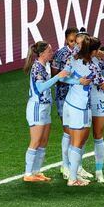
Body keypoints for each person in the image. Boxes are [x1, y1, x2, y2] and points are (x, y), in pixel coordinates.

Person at [62, 36, 104, 186]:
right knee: (78, 142)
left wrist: (76, 81)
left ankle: (72, 173)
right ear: (94, 51)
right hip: (81, 107)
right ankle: (73, 179)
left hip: (69, 103)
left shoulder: (73, 58)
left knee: (72, 141)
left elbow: (62, 78)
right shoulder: (93, 67)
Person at [23, 41, 69, 182]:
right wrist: (58, 77)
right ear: (42, 53)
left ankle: (36, 171)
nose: (52, 52)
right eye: (49, 50)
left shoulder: (46, 65)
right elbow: (41, 88)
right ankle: (28, 173)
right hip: (37, 108)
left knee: (43, 141)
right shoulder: (37, 68)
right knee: (36, 141)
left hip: (46, 107)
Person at [51, 27, 80, 178]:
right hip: (63, 96)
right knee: (68, 132)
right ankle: (65, 166)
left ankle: (77, 166)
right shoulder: (61, 54)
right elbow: (55, 75)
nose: (74, 44)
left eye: (76, 41)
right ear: (66, 40)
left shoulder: (82, 52)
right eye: (71, 41)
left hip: (79, 99)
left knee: (78, 133)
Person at [90, 52, 104, 183]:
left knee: (98, 135)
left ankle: (99, 171)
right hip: (83, 102)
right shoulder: (78, 59)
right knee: (80, 137)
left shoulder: (102, 59)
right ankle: (76, 169)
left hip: (99, 100)